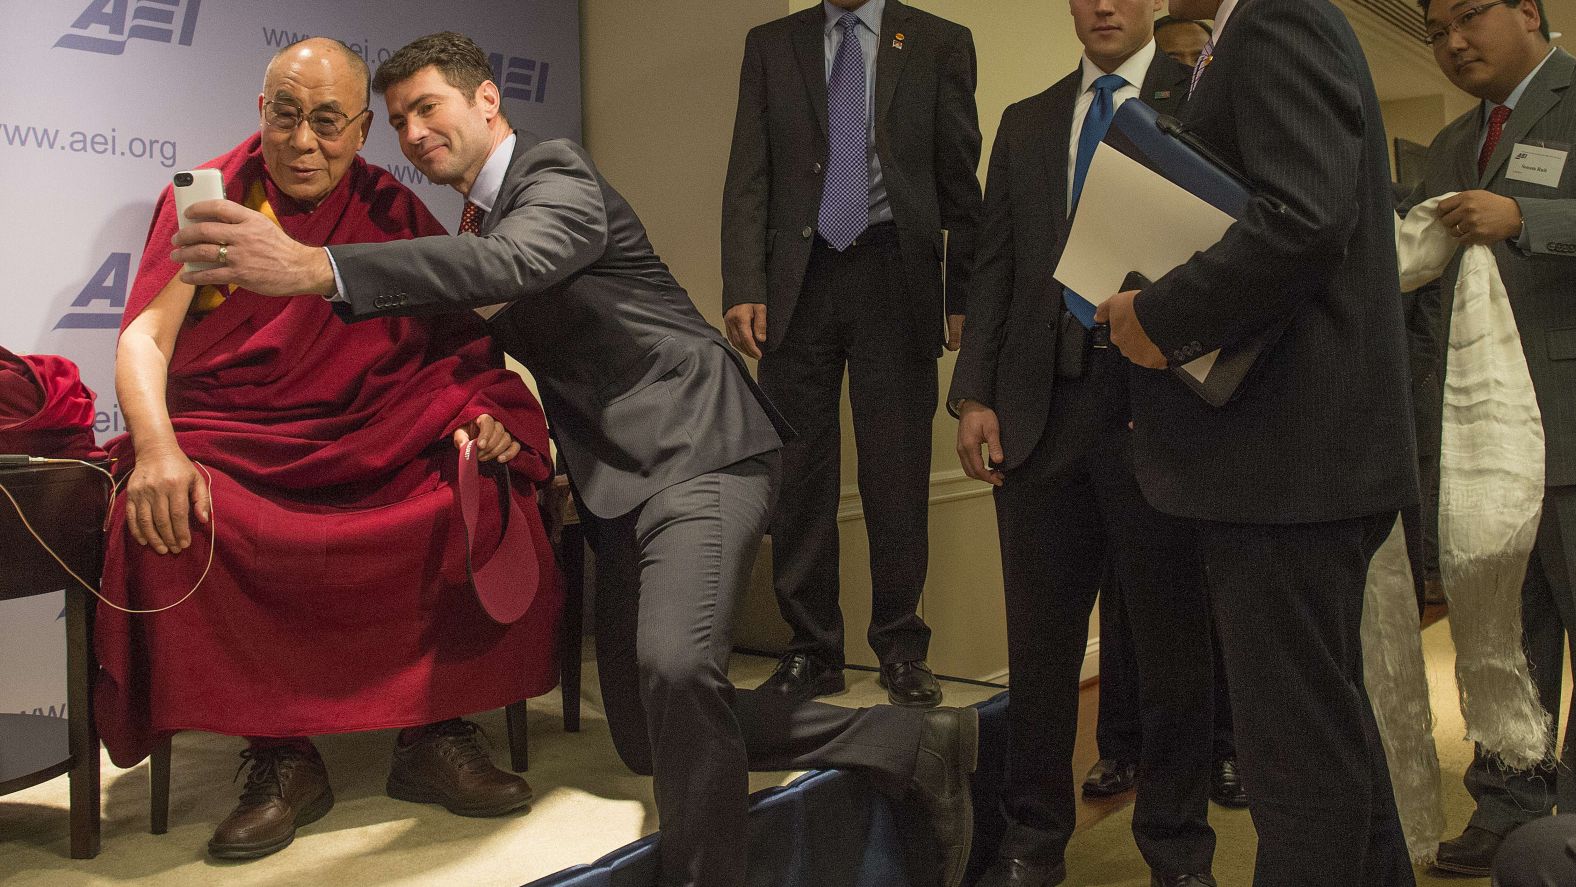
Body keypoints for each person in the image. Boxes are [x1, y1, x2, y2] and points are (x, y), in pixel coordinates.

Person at [168, 31, 980, 887]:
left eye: (429, 108)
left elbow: (512, 263)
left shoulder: (556, 175)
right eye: (399, 120)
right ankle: (906, 740)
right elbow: (473, 312)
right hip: (618, 481)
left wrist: (316, 267)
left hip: (697, 449)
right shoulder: (479, 218)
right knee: (642, 728)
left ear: (487, 101)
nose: (412, 134)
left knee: (675, 666)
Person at [99, 37, 561, 861]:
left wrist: (484, 411)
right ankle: (283, 755)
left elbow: (451, 346)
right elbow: (146, 339)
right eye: (286, 114)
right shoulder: (217, 198)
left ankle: (432, 733)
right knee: (184, 514)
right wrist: (158, 450)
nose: (304, 141)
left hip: (373, 431)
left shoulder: (387, 207)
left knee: (469, 488)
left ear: (358, 131)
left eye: (327, 122)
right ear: (261, 111)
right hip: (245, 439)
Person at [1095, 0, 1421, 882]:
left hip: (1289, 466)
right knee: (1326, 739)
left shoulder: (1278, 18)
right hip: (1293, 466)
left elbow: (1302, 219)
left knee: (1296, 772)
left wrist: (1159, 314)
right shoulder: (1256, 30)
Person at [950, 3, 1213, 884]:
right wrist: (974, 394)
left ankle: (1177, 848)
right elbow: (994, 266)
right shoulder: (1027, 122)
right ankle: (1032, 840)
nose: (1105, 4)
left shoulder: (1201, 98)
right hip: (1038, 413)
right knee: (1041, 648)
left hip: (1161, 409)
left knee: (1174, 648)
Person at [720, 0, 984, 707]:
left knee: (894, 469)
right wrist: (744, 283)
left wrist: (965, 293)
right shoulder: (772, 45)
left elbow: (962, 184)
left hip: (894, 272)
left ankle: (900, 645)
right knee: (800, 472)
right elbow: (749, 171)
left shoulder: (937, 43)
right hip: (797, 282)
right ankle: (811, 649)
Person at [1402, 0, 1576, 876]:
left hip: (1573, 427)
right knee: (1499, 626)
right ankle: (1509, 802)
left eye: (1468, 16)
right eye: (1436, 31)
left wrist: (1530, 220)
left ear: (1531, 12)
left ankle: (1572, 824)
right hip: (1479, 443)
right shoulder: (1447, 145)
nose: (1452, 41)